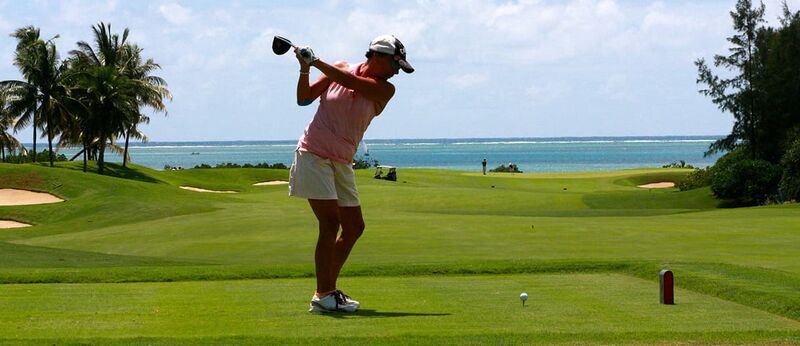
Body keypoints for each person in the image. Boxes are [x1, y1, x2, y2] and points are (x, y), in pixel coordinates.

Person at [288, 35, 414, 313]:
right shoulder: (341, 67)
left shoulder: (385, 89)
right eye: (395, 64)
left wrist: (317, 60)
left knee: (354, 227)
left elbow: (351, 83)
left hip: (342, 161)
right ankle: (324, 296)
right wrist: (305, 67)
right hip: (313, 153)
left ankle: (326, 291)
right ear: (378, 56)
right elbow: (304, 99)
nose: (397, 72)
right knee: (330, 224)